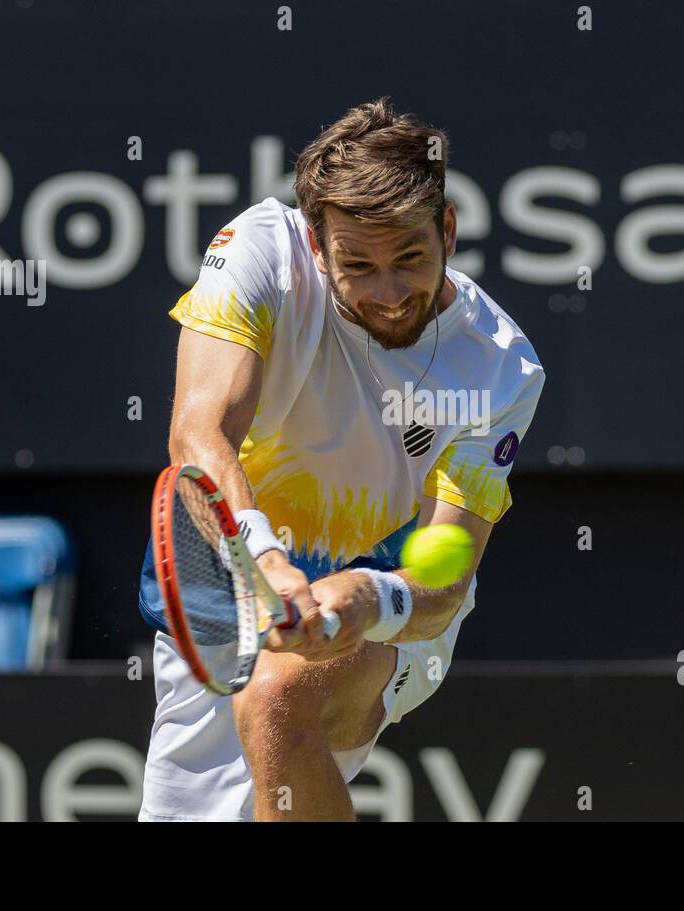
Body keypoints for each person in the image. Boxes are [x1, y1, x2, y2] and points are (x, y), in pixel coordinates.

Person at [137, 98, 544, 821]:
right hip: (231, 593)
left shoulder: (501, 369)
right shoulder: (259, 252)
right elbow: (198, 439)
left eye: (411, 258)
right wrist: (265, 563)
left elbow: (444, 579)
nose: (389, 294)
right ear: (317, 247)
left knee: (277, 693)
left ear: (447, 230)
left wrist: (367, 598)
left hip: (392, 615)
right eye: (357, 265)